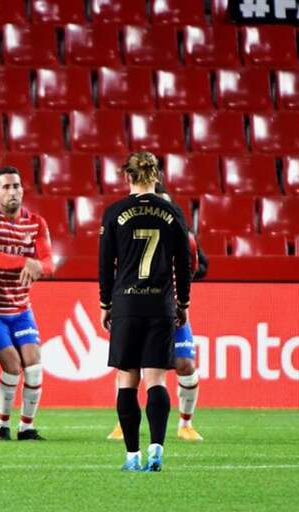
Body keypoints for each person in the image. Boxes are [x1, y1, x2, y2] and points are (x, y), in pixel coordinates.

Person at [98, 152, 192, 472]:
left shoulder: (115, 213)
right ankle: (157, 448)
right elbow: (185, 263)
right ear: (157, 176)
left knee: (127, 381)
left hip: (126, 304)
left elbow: (104, 264)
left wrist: (105, 304)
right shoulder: (172, 212)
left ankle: (131, 456)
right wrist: (183, 304)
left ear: (127, 177)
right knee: (156, 381)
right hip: (159, 305)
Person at [107, 183, 207, 443]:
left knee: (184, 364)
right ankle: (123, 423)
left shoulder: (182, 234)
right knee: (130, 367)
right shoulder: (128, 234)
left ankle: (186, 424)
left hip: (169, 309)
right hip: (139, 305)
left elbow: (199, 265)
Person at [0, 166, 54, 441]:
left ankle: (26, 427)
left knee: (33, 364)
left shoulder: (37, 223)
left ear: (22, 189)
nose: (12, 191)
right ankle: (1, 426)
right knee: (12, 365)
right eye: (6, 187)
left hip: (21, 309)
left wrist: (38, 265)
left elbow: (50, 264)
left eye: (16, 186)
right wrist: (27, 262)